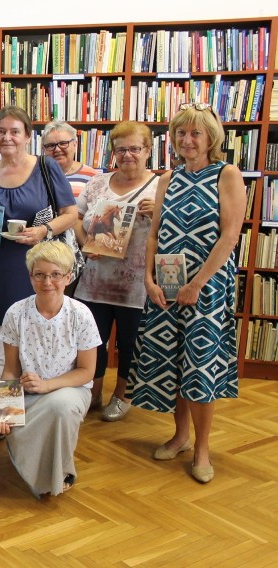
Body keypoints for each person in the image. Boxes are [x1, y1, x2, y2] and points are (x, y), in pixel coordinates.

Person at [127, 102, 245, 484]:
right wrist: (147, 278)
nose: (187, 140)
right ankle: (179, 436)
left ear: (211, 136)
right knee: (172, 363)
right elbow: (155, 234)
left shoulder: (226, 174)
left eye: (195, 132)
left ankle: (203, 448)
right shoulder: (167, 179)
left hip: (206, 289)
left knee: (199, 366)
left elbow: (229, 237)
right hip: (167, 284)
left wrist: (197, 284)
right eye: (181, 133)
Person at [0, 106, 78, 438]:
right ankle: (7, 414)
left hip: (39, 278)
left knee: (39, 351)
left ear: (27, 136)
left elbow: (70, 213)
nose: (7, 137)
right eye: (0, 131)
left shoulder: (47, 168)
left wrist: (45, 231)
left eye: (14, 131)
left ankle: (39, 418)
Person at [0, 241, 101, 497]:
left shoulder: (81, 315)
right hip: (29, 395)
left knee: (60, 406)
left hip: (72, 391)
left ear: (68, 277)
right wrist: (5, 412)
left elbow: (86, 372)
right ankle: (37, 468)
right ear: (30, 277)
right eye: (39, 274)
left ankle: (62, 471)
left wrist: (47, 385)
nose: (47, 282)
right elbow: (10, 371)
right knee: (17, 422)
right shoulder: (15, 314)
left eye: (55, 275)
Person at [73, 121, 159, 420]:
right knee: (91, 341)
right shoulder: (97, 182)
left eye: (135, 148)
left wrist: (157, 214)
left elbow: (171, 233)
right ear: (113, 152)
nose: (128, 155)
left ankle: (122, 395)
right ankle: (91, 393)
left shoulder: (161, 186)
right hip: (95, 280)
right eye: (121, 149)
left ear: (148, 150)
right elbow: (75, 217)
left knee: (129, 343)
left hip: (135, 285)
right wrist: (86, 244)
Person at [40, 120, 98, 198]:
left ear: (75, 144)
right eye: (51, 145)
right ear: (44, 149)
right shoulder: (36, 175)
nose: (57, 149)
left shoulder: (93, 177)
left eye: (63, 143)